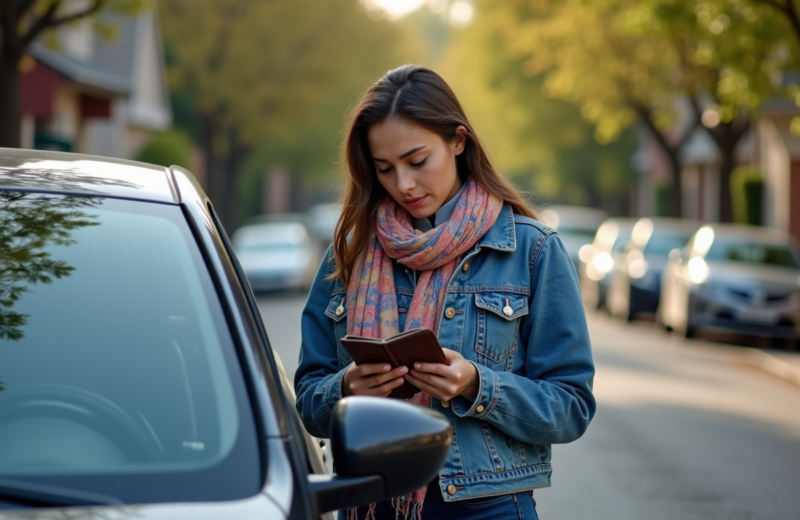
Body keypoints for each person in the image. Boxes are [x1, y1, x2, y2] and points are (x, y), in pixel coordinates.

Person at [294, 65, 595, 520]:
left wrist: (477, 384)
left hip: (489, 506)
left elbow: (571, 406)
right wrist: (347, 387)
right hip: (371, 503)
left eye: (417, 161)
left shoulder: (533, 251)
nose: (404, 184)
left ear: (458, 141)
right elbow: (307, 400)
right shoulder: (349, 255)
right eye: (385, 169)